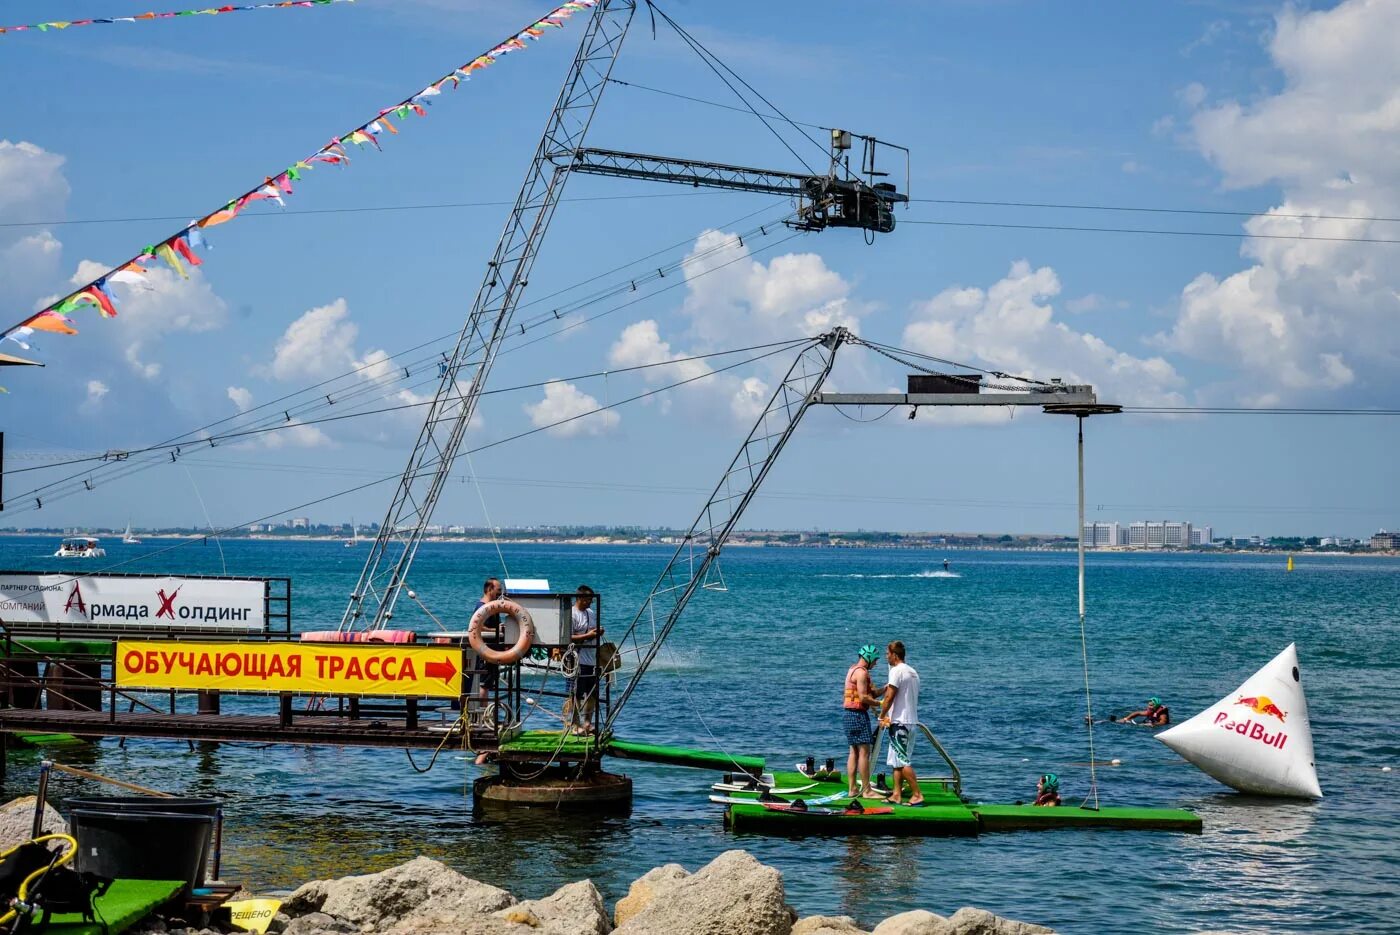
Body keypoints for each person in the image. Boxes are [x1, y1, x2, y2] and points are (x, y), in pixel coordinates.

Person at [878, 640, 924, 807]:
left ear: (895, 655)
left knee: (902, 761)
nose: (886, 657)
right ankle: (896, 794)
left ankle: (917, 794)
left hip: (900, 722)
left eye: (887, 654)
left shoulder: (896, 671)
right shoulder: (913, 672)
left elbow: (890, 696)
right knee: (897, 761)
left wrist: (881, 716)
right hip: (911, 722)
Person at [842, 644, 883, 799]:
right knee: (864, 753)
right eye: (875, 660)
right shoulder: (861, 673)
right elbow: (864, 697)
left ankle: (852, 789)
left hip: (848, 715)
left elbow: (870, 694)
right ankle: (867, 791)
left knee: (853, 751)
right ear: (869, 658)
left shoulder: (852, 669)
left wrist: (886, 688)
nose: (876, 663)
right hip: (858, 715)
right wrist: (880, 704)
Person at [565, 585, 603, 734]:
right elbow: (567, 637)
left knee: (593, 693)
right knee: (575, 694)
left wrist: (598, 632)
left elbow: (593, 629)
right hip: (576, 660)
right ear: (580, 598)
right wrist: (587, 636)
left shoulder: (591, 613)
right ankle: (575, 724)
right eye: (588, 600)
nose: (590, 603)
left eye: (591, 601)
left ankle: (587, 722)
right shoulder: (572, 614)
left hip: (591, 659)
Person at [469, 578, 505, 711]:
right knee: (484, 683)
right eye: (498, 590)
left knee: (488, 683)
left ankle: (485, 714)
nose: (500, 593)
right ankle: (483, 715)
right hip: (485, 649)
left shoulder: (493, 607)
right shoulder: (481, 607)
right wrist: (496, 630)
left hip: (493, 650)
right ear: (490, 590)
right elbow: (477, 626)